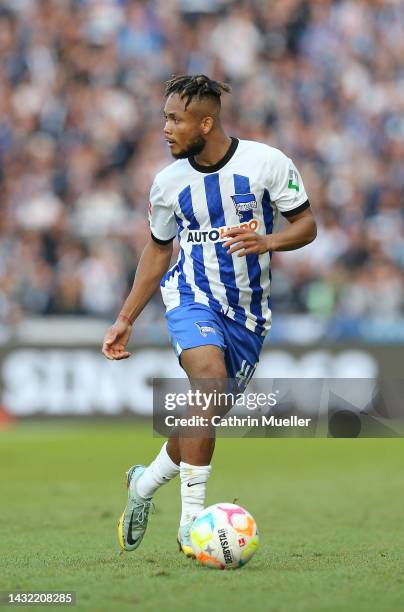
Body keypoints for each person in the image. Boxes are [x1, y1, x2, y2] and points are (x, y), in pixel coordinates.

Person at [102, 74, 317, 557]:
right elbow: (158, 251)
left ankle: (143, 483)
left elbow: (306, 226)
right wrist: (126, 316)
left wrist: (269, 240)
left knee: (205, 410)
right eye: (164, 119)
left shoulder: (266, 163)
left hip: (248, 315)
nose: (167, 129)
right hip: (189, 296)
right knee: (208, 383)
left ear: (206, 121)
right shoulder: (167, 184)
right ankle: (191, 523)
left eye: (176, 120)